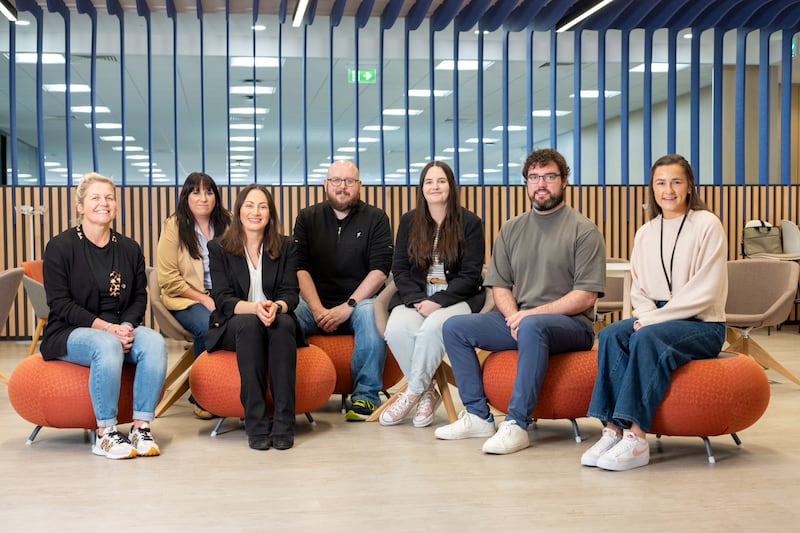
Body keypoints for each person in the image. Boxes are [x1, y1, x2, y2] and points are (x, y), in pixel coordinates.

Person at [437, 148, 606, 455]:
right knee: (454, 328)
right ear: (526, 183)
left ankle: (517, 422)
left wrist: (530, 316)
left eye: (550, 177)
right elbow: (500, 285)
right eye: (534, 177)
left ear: (564, 181)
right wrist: (515, 315)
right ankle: (477, 414)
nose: (542, 184)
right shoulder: (512, 228)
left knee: (533, 326)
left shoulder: (584, 230)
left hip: (572, 326)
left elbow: (586, 295)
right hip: (523, 321)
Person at [582, 154, 727, 471]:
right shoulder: (646, 232)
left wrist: (651, 320)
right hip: (654, 317)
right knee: (609, 334)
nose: (668, 190)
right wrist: (645, 314)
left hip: (703, 323)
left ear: (689, 185)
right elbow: (639, 290)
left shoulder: (707, 224)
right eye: (661, 183)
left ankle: (636, 438)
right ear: (652, 188)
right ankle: (612, 429)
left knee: (646, 337)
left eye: (676, 181)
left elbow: (706, 291)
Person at [40, 172, 167, 459]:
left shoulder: (129, 248)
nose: (104, 203)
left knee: (155, 342)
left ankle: (140, 427)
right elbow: (60, 303)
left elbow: (138, 297)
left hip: (119, 328)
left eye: (109, 197)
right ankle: (106, 433)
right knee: (106, 344)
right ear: (80, 206)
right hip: (71, 330)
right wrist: (106, 329)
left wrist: (123, 326)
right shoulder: (61, 247)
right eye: (95, 198)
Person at [379, 161, 485, 428]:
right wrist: (417, 300)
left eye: (441, 181)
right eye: (429, 181)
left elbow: (471, 274)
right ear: (421, 188)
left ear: (451, 186)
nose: (435, 186)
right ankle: (428, 393)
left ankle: (412, 391)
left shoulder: (470, 222)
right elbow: (400, 268)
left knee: (432, 330)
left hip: (457, 300)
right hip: (416, 298)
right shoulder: (409, 221)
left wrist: (438, 302)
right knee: (398, 328)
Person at [293, 160, 394, 421]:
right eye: (336, 180)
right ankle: (287, 391)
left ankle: (365, 397)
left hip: (357, 304)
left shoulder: (376, 218)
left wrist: (346, 307)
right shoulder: (307, 218)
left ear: (359, 186)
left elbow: (380, 271)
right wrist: (317, 309)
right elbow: (299, 268)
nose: (342, 187)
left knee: (372, 311)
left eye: (349, 181)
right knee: (286, 315)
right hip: (313, 305)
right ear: (326, 184)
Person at [205, 184, 301, 451]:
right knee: (249, 325)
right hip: (236, 322)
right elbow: (222, 299)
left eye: (262, 206)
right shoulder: (219, 247)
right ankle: (255, 424)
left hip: (274, 316)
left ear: (270, 213)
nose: (255, 212)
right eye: (249, 205)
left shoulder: (286, 245)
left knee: (284, 325)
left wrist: (276, 307)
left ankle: (284, 424)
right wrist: (255, 308)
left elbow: (291, 294)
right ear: (238, 211)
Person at [157, 172, 231, 419]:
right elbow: (167, 278)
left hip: (224, 296)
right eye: (196, 192)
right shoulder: (174, 226)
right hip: (186, 298)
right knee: (209, 324)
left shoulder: (228, 222)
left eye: (209, 192)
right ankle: (203, 394)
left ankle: (231, 388)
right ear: (186, 197)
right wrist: (202, 298)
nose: (203, 198)